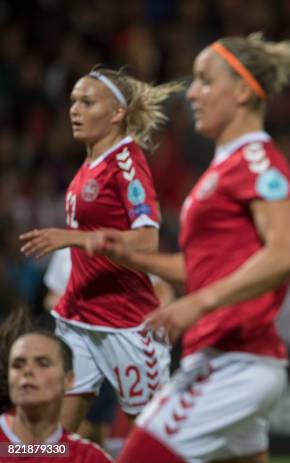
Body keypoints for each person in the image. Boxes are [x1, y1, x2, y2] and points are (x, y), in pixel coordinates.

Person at [88, 33, 290, 463]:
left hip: (232, 364)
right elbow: (207, 270)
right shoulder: (224, 168)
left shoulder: (256, 162)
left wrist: (198, 305)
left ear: (243, 90)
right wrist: (132, 257)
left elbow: (288, 253)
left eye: (205, 81)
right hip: (226, 358)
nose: (193, 93)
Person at [18, 67, 183, 432]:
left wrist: (73, 237)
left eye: (87, 102)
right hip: (77, 318)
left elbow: (147, 240)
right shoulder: (90, 164)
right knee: (53, 438)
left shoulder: (126, 164)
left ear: (116, 113)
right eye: (73, 101)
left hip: (125, 324)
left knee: (156, 444)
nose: (74, 110)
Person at [42, 248, 175, 448]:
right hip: (81, 342)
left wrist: (155, 319)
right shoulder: (66, 250)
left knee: (104, 430)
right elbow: (51, 297)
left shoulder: (124, 244)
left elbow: (162, 289)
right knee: (65, 433)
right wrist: (81, 308)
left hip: (123, 346)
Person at [1, 330, 113, 462]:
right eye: (17, 365)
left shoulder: (89, 458)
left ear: (68, 380)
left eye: (42, 363)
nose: (27, 371)